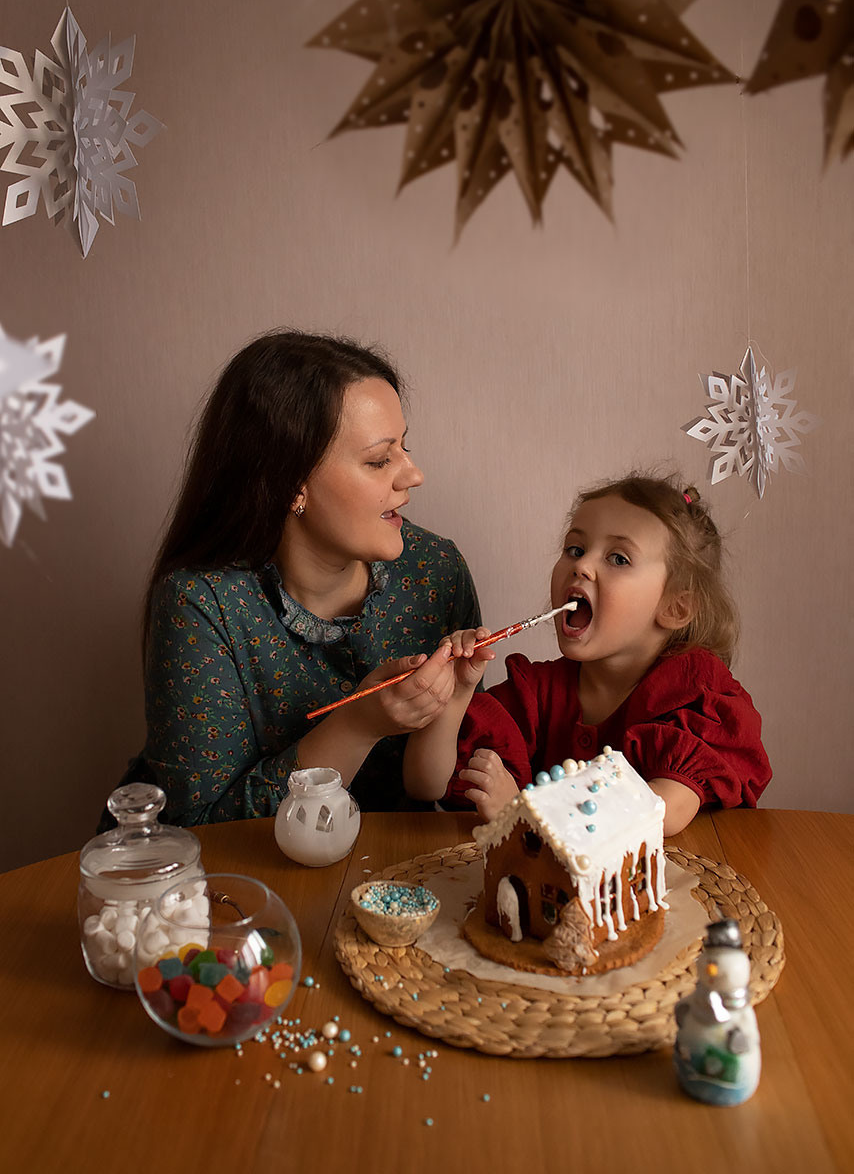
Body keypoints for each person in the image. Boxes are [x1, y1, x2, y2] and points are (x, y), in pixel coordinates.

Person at [108, 330, 480, 827]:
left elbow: (454, 781)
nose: (413, 474)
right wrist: (359, 723)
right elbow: (201, 830)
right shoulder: (201, 603)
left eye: (404, 446)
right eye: (379, 459)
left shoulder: (436, 571)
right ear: (289, 483)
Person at [403, 473, 771, 835]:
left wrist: (524, 813)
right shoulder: (534, 694)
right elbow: (425, 787)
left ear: (676, 607)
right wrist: (455, 695)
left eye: (619, 558)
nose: (581, 566)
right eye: (575, 550)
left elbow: (661, 811)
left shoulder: (698, 698)